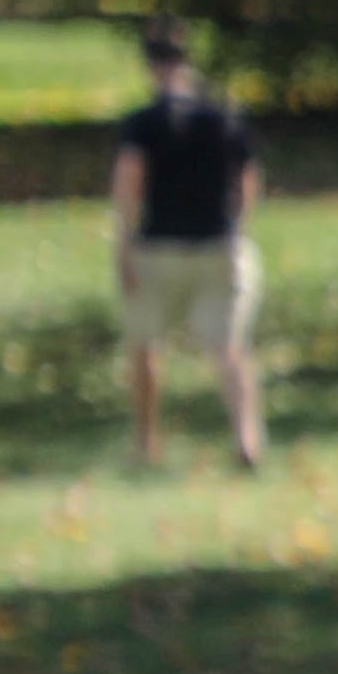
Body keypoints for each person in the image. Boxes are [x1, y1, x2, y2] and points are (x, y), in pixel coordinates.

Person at [112, 23, 261, 473]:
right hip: (220, 243)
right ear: (188, 60)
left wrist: (123, 244)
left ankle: (146, 442)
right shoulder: (223, 116)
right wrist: (239, 223)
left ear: (150, 66)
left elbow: (129, 184)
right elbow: (249, 178)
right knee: (229, 346)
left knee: (145, 346)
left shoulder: (144, 124)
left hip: (159, 248)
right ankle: (247, 437)